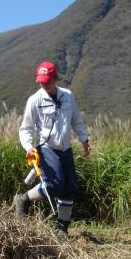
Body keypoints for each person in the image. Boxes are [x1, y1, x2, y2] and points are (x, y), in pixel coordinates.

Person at [14, 61, 91, 239]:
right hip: (46, 148)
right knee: (54, 185)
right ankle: (23, 198)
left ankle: (62, 229)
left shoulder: (68, 96)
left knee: (70, 188)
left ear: (55, 78)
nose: (44, 84)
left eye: (47, 80)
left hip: (66, 148)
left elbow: (76, 119)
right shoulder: (34, 100)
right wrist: (28, 147)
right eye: (41, 81)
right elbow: (25, 128)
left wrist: (84, 139)